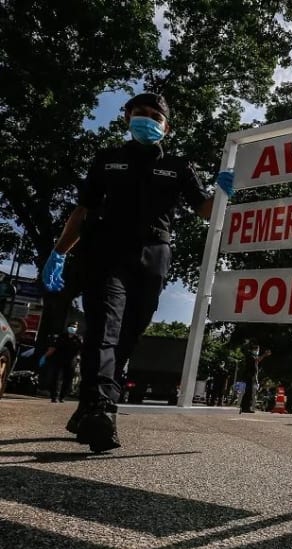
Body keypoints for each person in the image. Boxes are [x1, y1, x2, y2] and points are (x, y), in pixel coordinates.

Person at [42, 92, 235, 452]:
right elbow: (83, 210)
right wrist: (59, 253)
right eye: (140, 113)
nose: (147, 119)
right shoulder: (107, 160)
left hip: (154, 256)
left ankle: (89, 407)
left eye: (155, 116)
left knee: (129, 335)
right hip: (105, 252)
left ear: (166, 126)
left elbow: (205, 211)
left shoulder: (179, 166)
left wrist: (223, 192)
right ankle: (101, 410)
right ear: (127, 117)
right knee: (104, 329)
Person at [42, 322, 83, 403]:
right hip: (59, 360)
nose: (73, 328)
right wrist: (44, 356)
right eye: (71, 326)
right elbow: (53, 347)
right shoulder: (61, 336)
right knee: (57, 378)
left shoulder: (78, 338)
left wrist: (79, 359)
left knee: (68, 379)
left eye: (74, 327)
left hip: (71, 361)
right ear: (68, 327)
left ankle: (62, 397)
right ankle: (55, 397)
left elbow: (81, 350)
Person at [239, 345, 270, 414]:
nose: (257, 351)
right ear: (254, 349)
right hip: (249, 376)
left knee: (249, 392)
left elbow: (257, 360)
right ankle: (245, 407)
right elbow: (257, 360)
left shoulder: (252, 356)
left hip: (251, 376)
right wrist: (264, 355)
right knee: (248, 392)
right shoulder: (250, 356)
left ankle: (245, 407)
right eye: (257, 350)